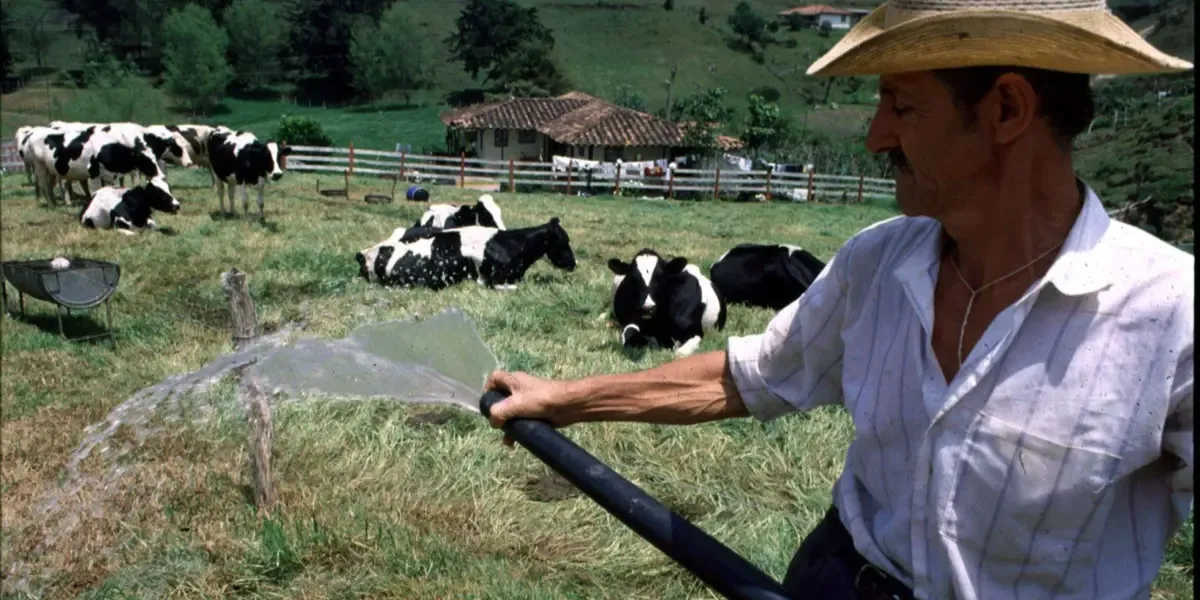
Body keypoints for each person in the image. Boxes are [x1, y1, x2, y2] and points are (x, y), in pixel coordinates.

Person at [484, 1, 1195, 598]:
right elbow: (749, 376)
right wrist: (566, 399)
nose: (876, 135)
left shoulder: (1173, 314)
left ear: (1007, 108)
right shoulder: (876, 262)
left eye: (901, 105)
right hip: (836, 578)